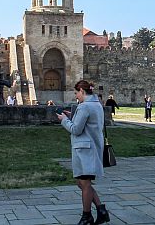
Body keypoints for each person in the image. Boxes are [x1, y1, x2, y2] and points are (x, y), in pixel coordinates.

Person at [56, 80, 109, 225]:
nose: (76, 96)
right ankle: (101, 210)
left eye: (76, 93)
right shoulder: (96, 104)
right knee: (81, 183)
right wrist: (73, 115)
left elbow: (76, 129)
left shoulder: (84, 106)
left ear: (82, 91)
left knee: (84, 184)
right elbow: (88, 123)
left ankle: (87, 216)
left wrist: (64, 120)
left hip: (86, 150)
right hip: (90, 148)